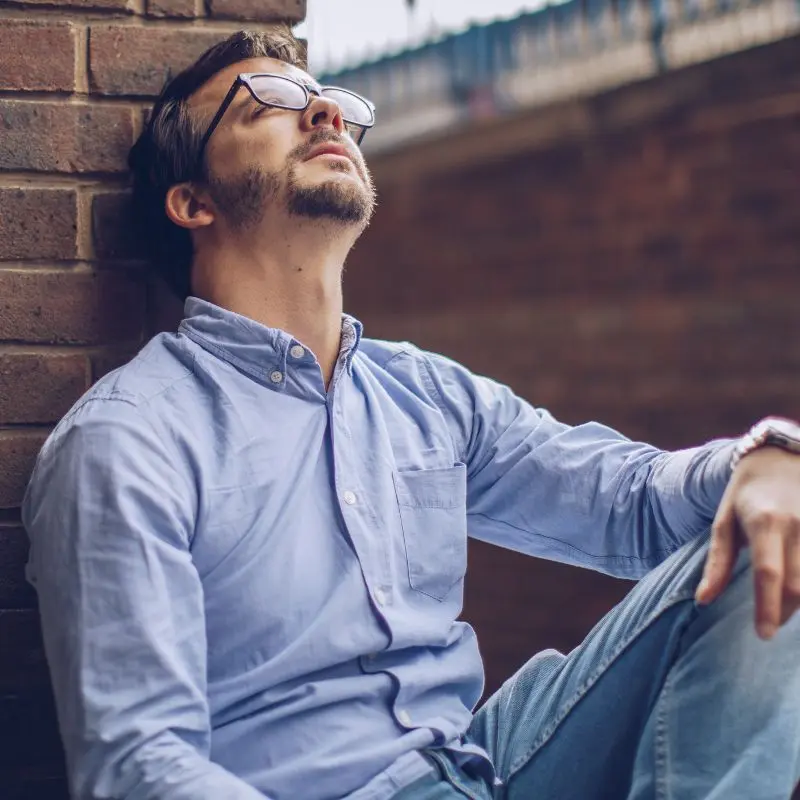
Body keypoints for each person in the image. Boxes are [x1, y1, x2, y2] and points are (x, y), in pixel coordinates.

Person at [22, 26, 800, 800]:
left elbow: (635, 505)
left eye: (327, 101)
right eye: (270, 103)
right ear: (192, 202)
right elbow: (141, 765)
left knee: (770, 535)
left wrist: (764, 459)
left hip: (492, 763)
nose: (324, 112)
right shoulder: (127, 441)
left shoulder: (425, 394)